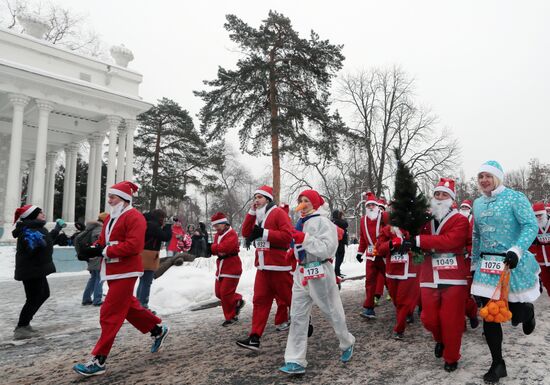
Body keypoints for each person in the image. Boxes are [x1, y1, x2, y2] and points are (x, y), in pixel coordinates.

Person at [73, 181, 169, 377]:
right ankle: (157, 330)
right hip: (112, 270)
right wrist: (91, 250)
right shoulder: (110, 218)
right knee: (129, 307)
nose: (109, 200)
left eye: (112, 197)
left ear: (125, 199)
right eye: (109, 197)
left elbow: (134, 246)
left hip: (127, 270)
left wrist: (104, 250)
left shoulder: (135, 217)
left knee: (110, 312)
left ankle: (99, 360)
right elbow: (103, 242)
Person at [470, 161, 539, 383]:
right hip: (486, 267)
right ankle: (497, 363)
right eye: (480, 176)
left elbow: (530, 225)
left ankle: (527, 312)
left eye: (488, 176)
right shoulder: (478, 203)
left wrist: (517, 250)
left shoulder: (515, 198)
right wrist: (474, 264)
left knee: (515, 313)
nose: (483, 180)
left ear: (497, 177)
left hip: (511, 264)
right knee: (490, 316)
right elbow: (477, 235)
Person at [279, 189, 355, 374]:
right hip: (301, 273)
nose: (302, 204)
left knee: (331, 311)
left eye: (306, 201)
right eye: (300, 200)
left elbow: (328, 249)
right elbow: (296, 243)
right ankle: (295, 360)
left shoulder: (323, 222)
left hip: (320, 271)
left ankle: (347, 342)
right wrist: (293, 250)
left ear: (315, 204)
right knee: (297, 316)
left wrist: (304, 239)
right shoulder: (299, 222)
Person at [410, 178, 470, 372]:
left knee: (451, 320)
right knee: (429, 319)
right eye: (437, 194)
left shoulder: (460, 219)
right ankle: (440, 339)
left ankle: (451, 357)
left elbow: (450, 241)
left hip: (453, 277)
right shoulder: (426, 220)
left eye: (444, 194)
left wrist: (419, 240)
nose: (440, 197)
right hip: (428, 275)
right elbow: (409, 233)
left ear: (452, 199)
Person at [236, 185, 293, 351]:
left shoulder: (278, 213)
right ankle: (254, 337)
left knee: (289, 298)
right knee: (259, 300)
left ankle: (305, 321)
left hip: (279, 266)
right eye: (255, 198)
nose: (256, 200)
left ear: (268, 198)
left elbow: (287, 236)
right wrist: (251, 213)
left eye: (259, 197)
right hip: (262, 266)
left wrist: (263, 232)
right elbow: (246, 232)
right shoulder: (258, 215)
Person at [12, 205, 64, 340]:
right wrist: (34, 242)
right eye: (40, 213)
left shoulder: (38, 228)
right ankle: (21, 327)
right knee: (34, 298)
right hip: (30, 270)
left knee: (43, 294)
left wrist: (57, 230)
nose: (43, 214)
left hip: (37, 269)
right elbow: (31, 248)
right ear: (32, 216)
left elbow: (47, 241)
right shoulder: (27, 230)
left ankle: (25, 324)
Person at [376, 223, 419, 340]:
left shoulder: (412, 226)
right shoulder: (386, 230)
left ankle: (399, 329)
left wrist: (412, 244)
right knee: (395, 299)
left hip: (408, 269)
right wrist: (392, 243)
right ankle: (408, 312)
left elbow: (421, 242)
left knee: (402, 300)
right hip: (392, 270)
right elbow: (379, 249)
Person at [210, 212, 245, 326]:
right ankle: (237, 300)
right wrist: (216, 248)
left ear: (224, 224)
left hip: (232, 266)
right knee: (219, 293)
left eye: (217, 225)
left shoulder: (232, 234)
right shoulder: (217, 235)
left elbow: (225, 248)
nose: (215, 228)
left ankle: (230, 317)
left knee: (225, 293)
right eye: (214, 226)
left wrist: (214, 248)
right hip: (221, 266)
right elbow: (217, 249)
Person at [356, 192, 386, 319]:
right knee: (369, 282)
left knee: (390, 281)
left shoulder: (384, 217)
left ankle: (402, 307)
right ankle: (368, 308)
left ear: (377, 206)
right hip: (370, 256)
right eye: (369, 206)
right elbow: (363, 237)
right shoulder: (363, 220)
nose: (371, 207)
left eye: (373, 205)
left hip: (384, 254)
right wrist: (359, 252)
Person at [137, 209, 172, 309]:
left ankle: (139, 302)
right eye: (163, 218)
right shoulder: (153, 225)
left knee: (142, 281)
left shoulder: (145, 222)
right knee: (147, 281)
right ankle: (143, 304)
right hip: (149, 255)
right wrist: (168, 226)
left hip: (142, 253)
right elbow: (165, 237)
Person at [76, 212, 108, 306]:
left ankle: (86, 298)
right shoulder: (99, 229)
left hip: (91, 256)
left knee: (93, 278)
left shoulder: (91, 228)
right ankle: (97, 300)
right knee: (99, 278)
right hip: (97, 257)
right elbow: (99, 244)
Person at [460, 199, 479, 328]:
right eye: (462, 207)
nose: (464, 209)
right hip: (452, 263)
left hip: (468, 262)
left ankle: (472, 313)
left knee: (464, 294)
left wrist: (467, 250)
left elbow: (475, 242)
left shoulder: (473, 222)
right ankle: (460, 323)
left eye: (466, 208)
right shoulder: (454, 221)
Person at [529, 202, 550, 295]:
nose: (539, 217)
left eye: (540, 215)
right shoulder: (533, 226)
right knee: (546, 282)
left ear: (544, 213)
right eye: (536, 216)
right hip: (541, 258)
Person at [331, 209, 348, 278]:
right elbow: (346, 224)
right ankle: (337, 272)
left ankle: (337, 271)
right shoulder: (337, 221)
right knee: (340, 256)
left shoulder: (333, 221)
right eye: (340, 215)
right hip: (339, 242)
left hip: (337, 241)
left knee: (339, 256)